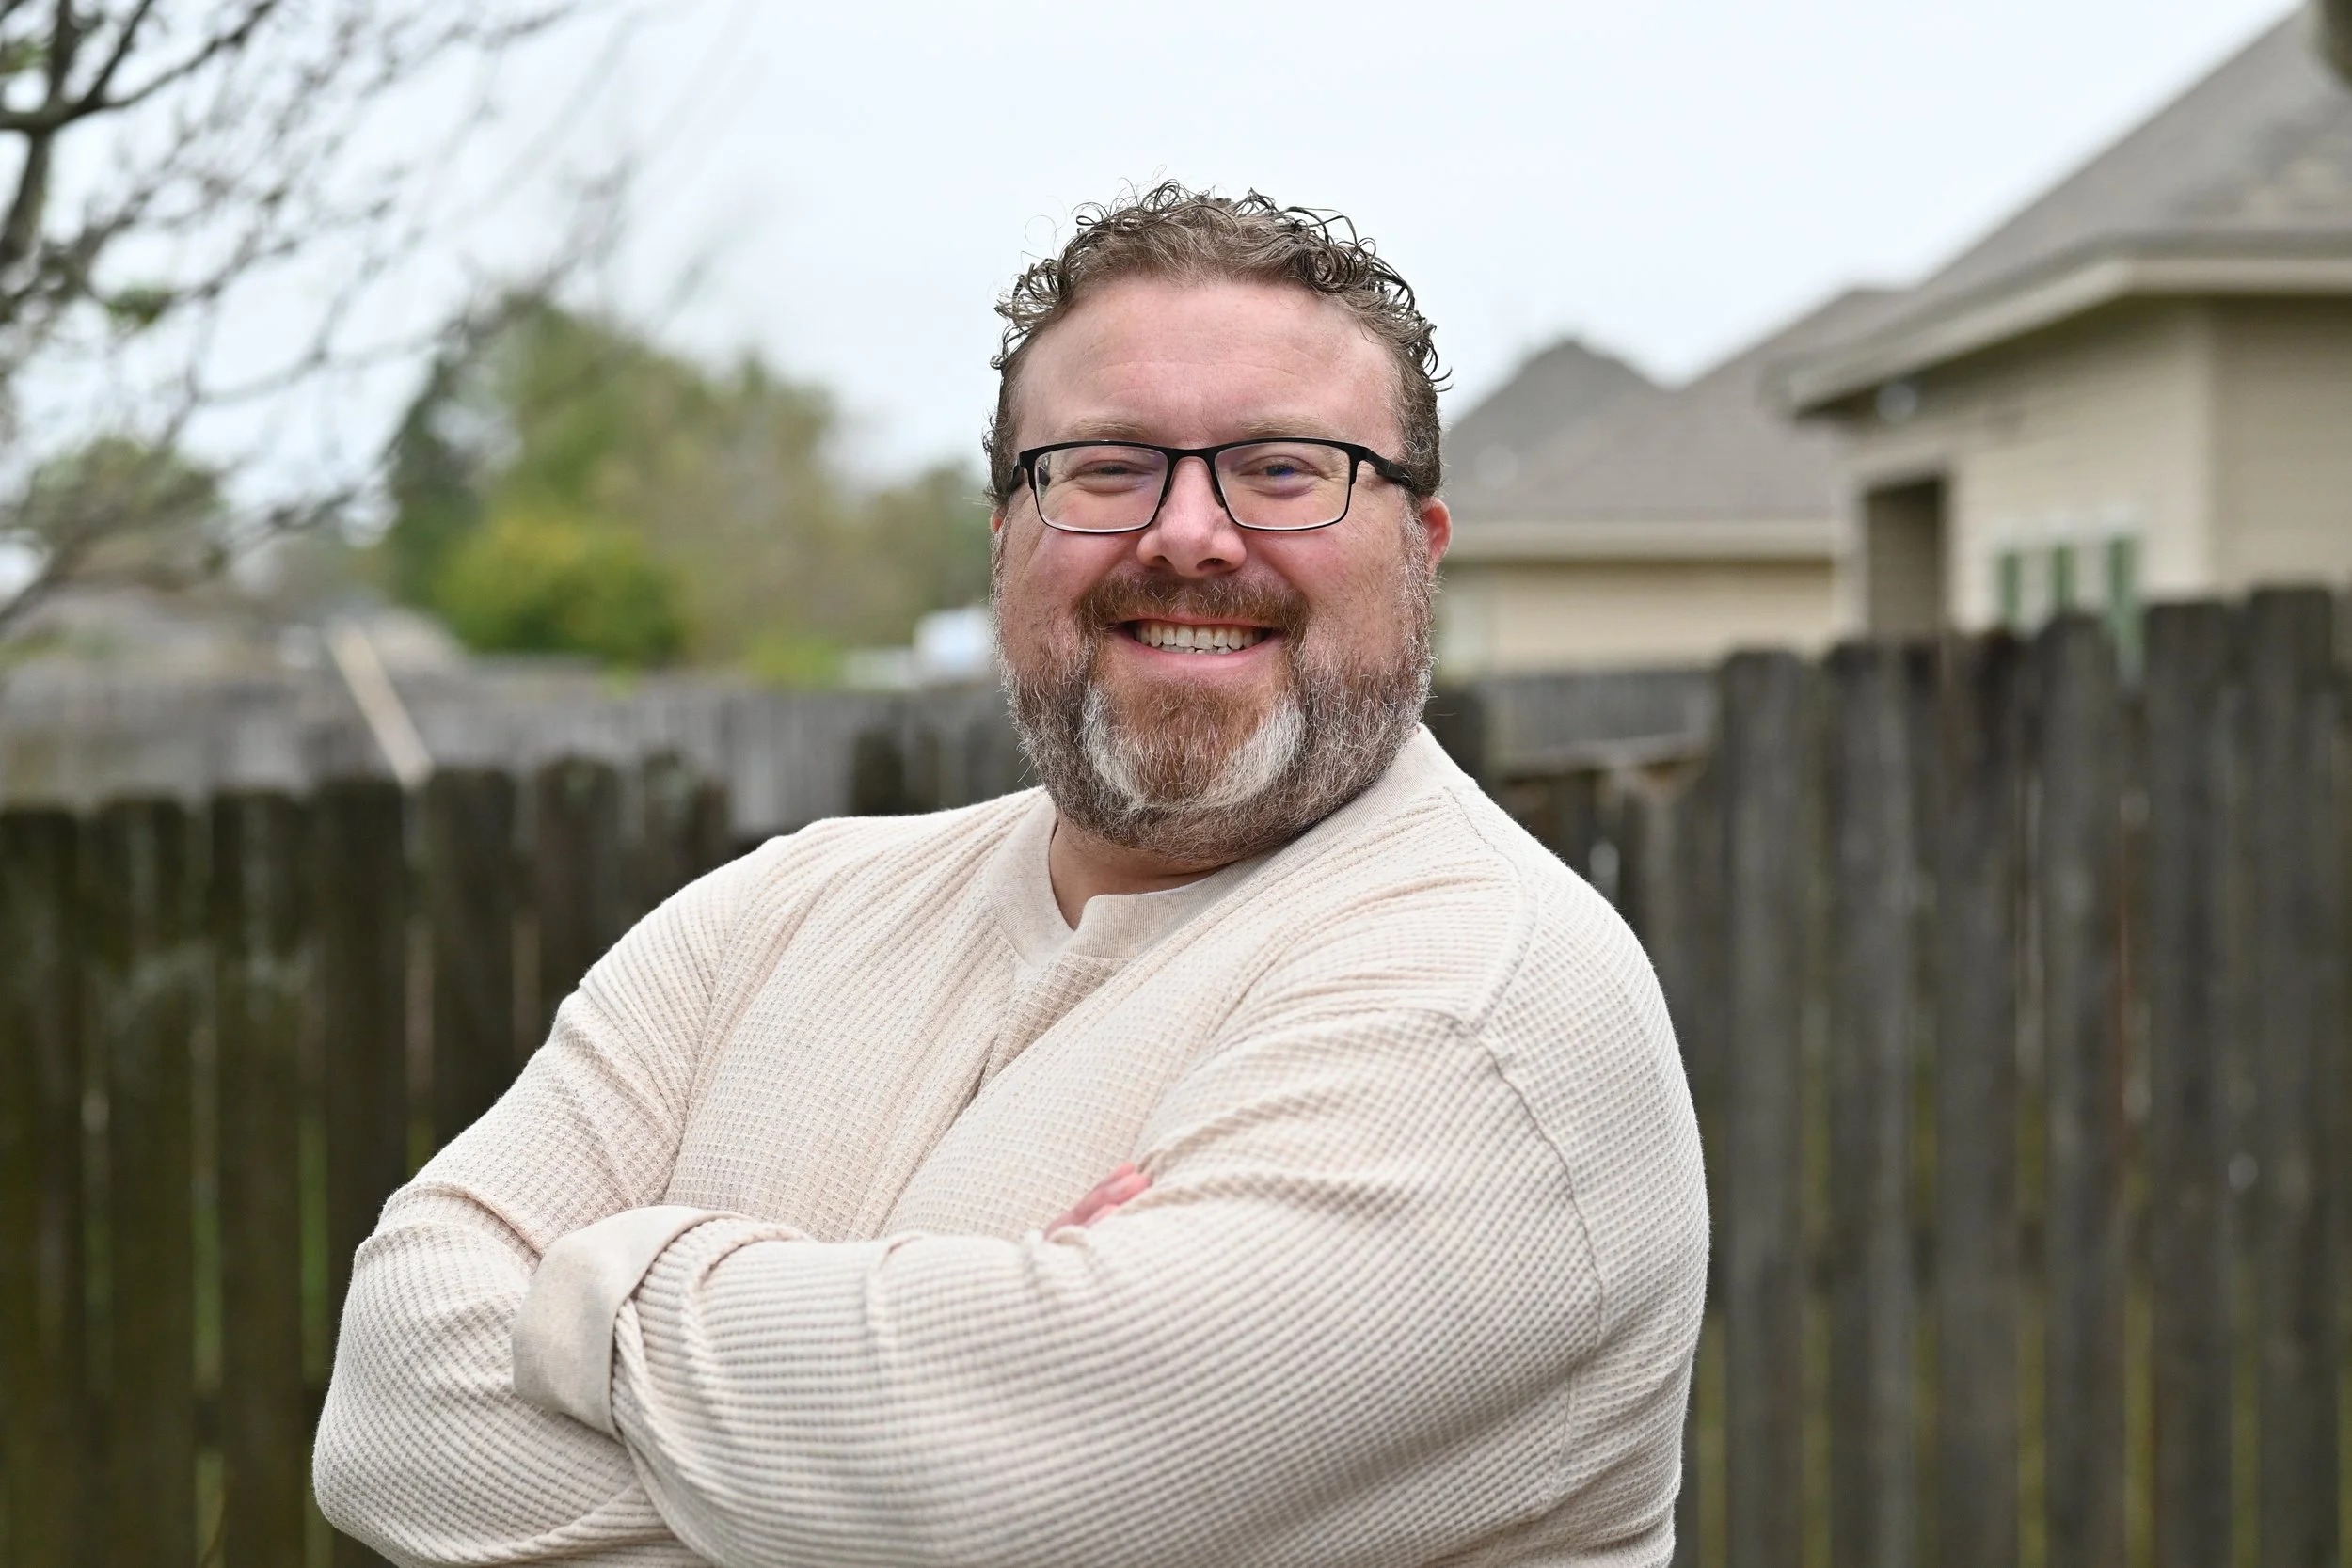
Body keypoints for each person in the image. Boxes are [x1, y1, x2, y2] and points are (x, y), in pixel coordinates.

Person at [314, 182, 1708, 1568]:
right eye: (1105, 467)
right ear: (1005, 540)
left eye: (1285, 468)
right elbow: (387, 1410)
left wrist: (601, 1292)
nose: (1188, 532)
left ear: (1419, 545)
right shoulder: (771, 914)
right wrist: (931, 1371)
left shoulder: (1493, 1003)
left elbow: (996, 1515)